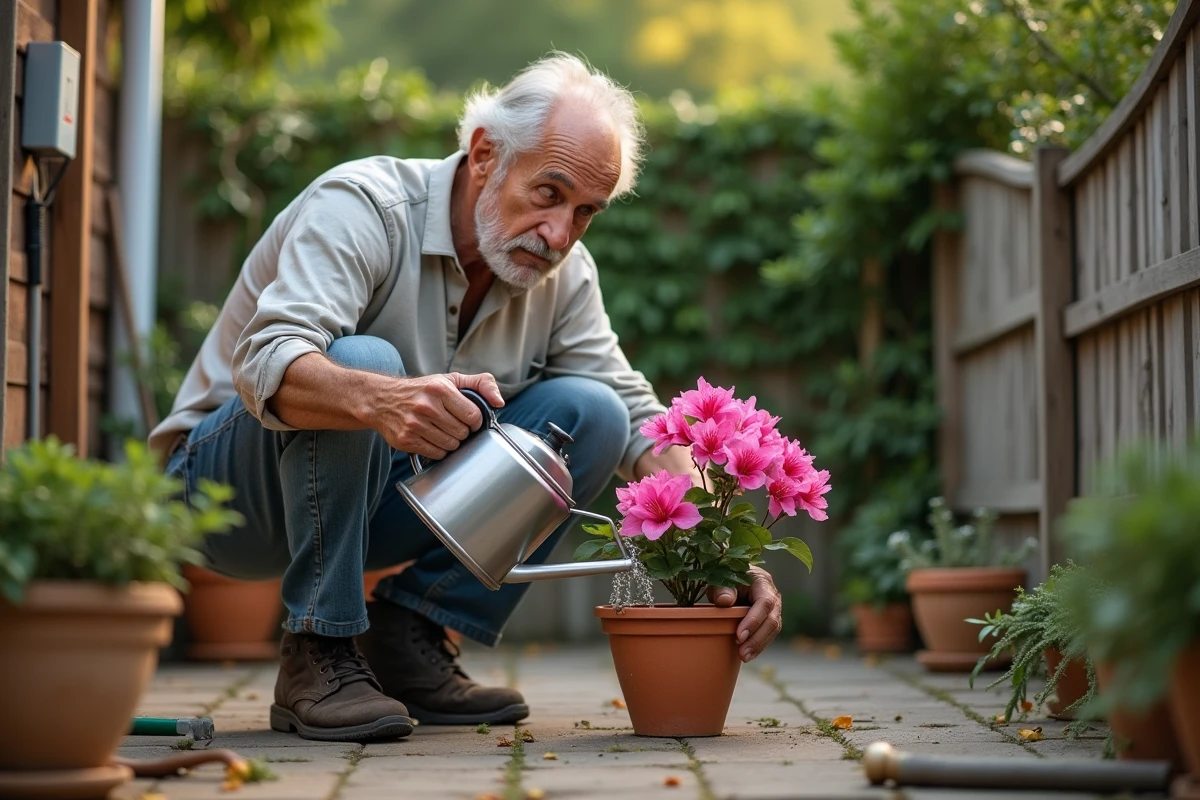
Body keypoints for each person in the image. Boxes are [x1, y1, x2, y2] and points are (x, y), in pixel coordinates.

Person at [151, 53, 784, 743]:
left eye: (585, 213)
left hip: (376, 505)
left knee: (593, 413)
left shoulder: (563, 276)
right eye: (549, 193)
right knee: (362, 360)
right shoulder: (363, 206)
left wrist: (721, 555)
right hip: (226, 501)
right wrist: (382, 398)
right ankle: (318, 650)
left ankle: (411, 633)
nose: (560, 235)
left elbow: (633, 414)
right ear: (484, 154)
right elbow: (267, 358)